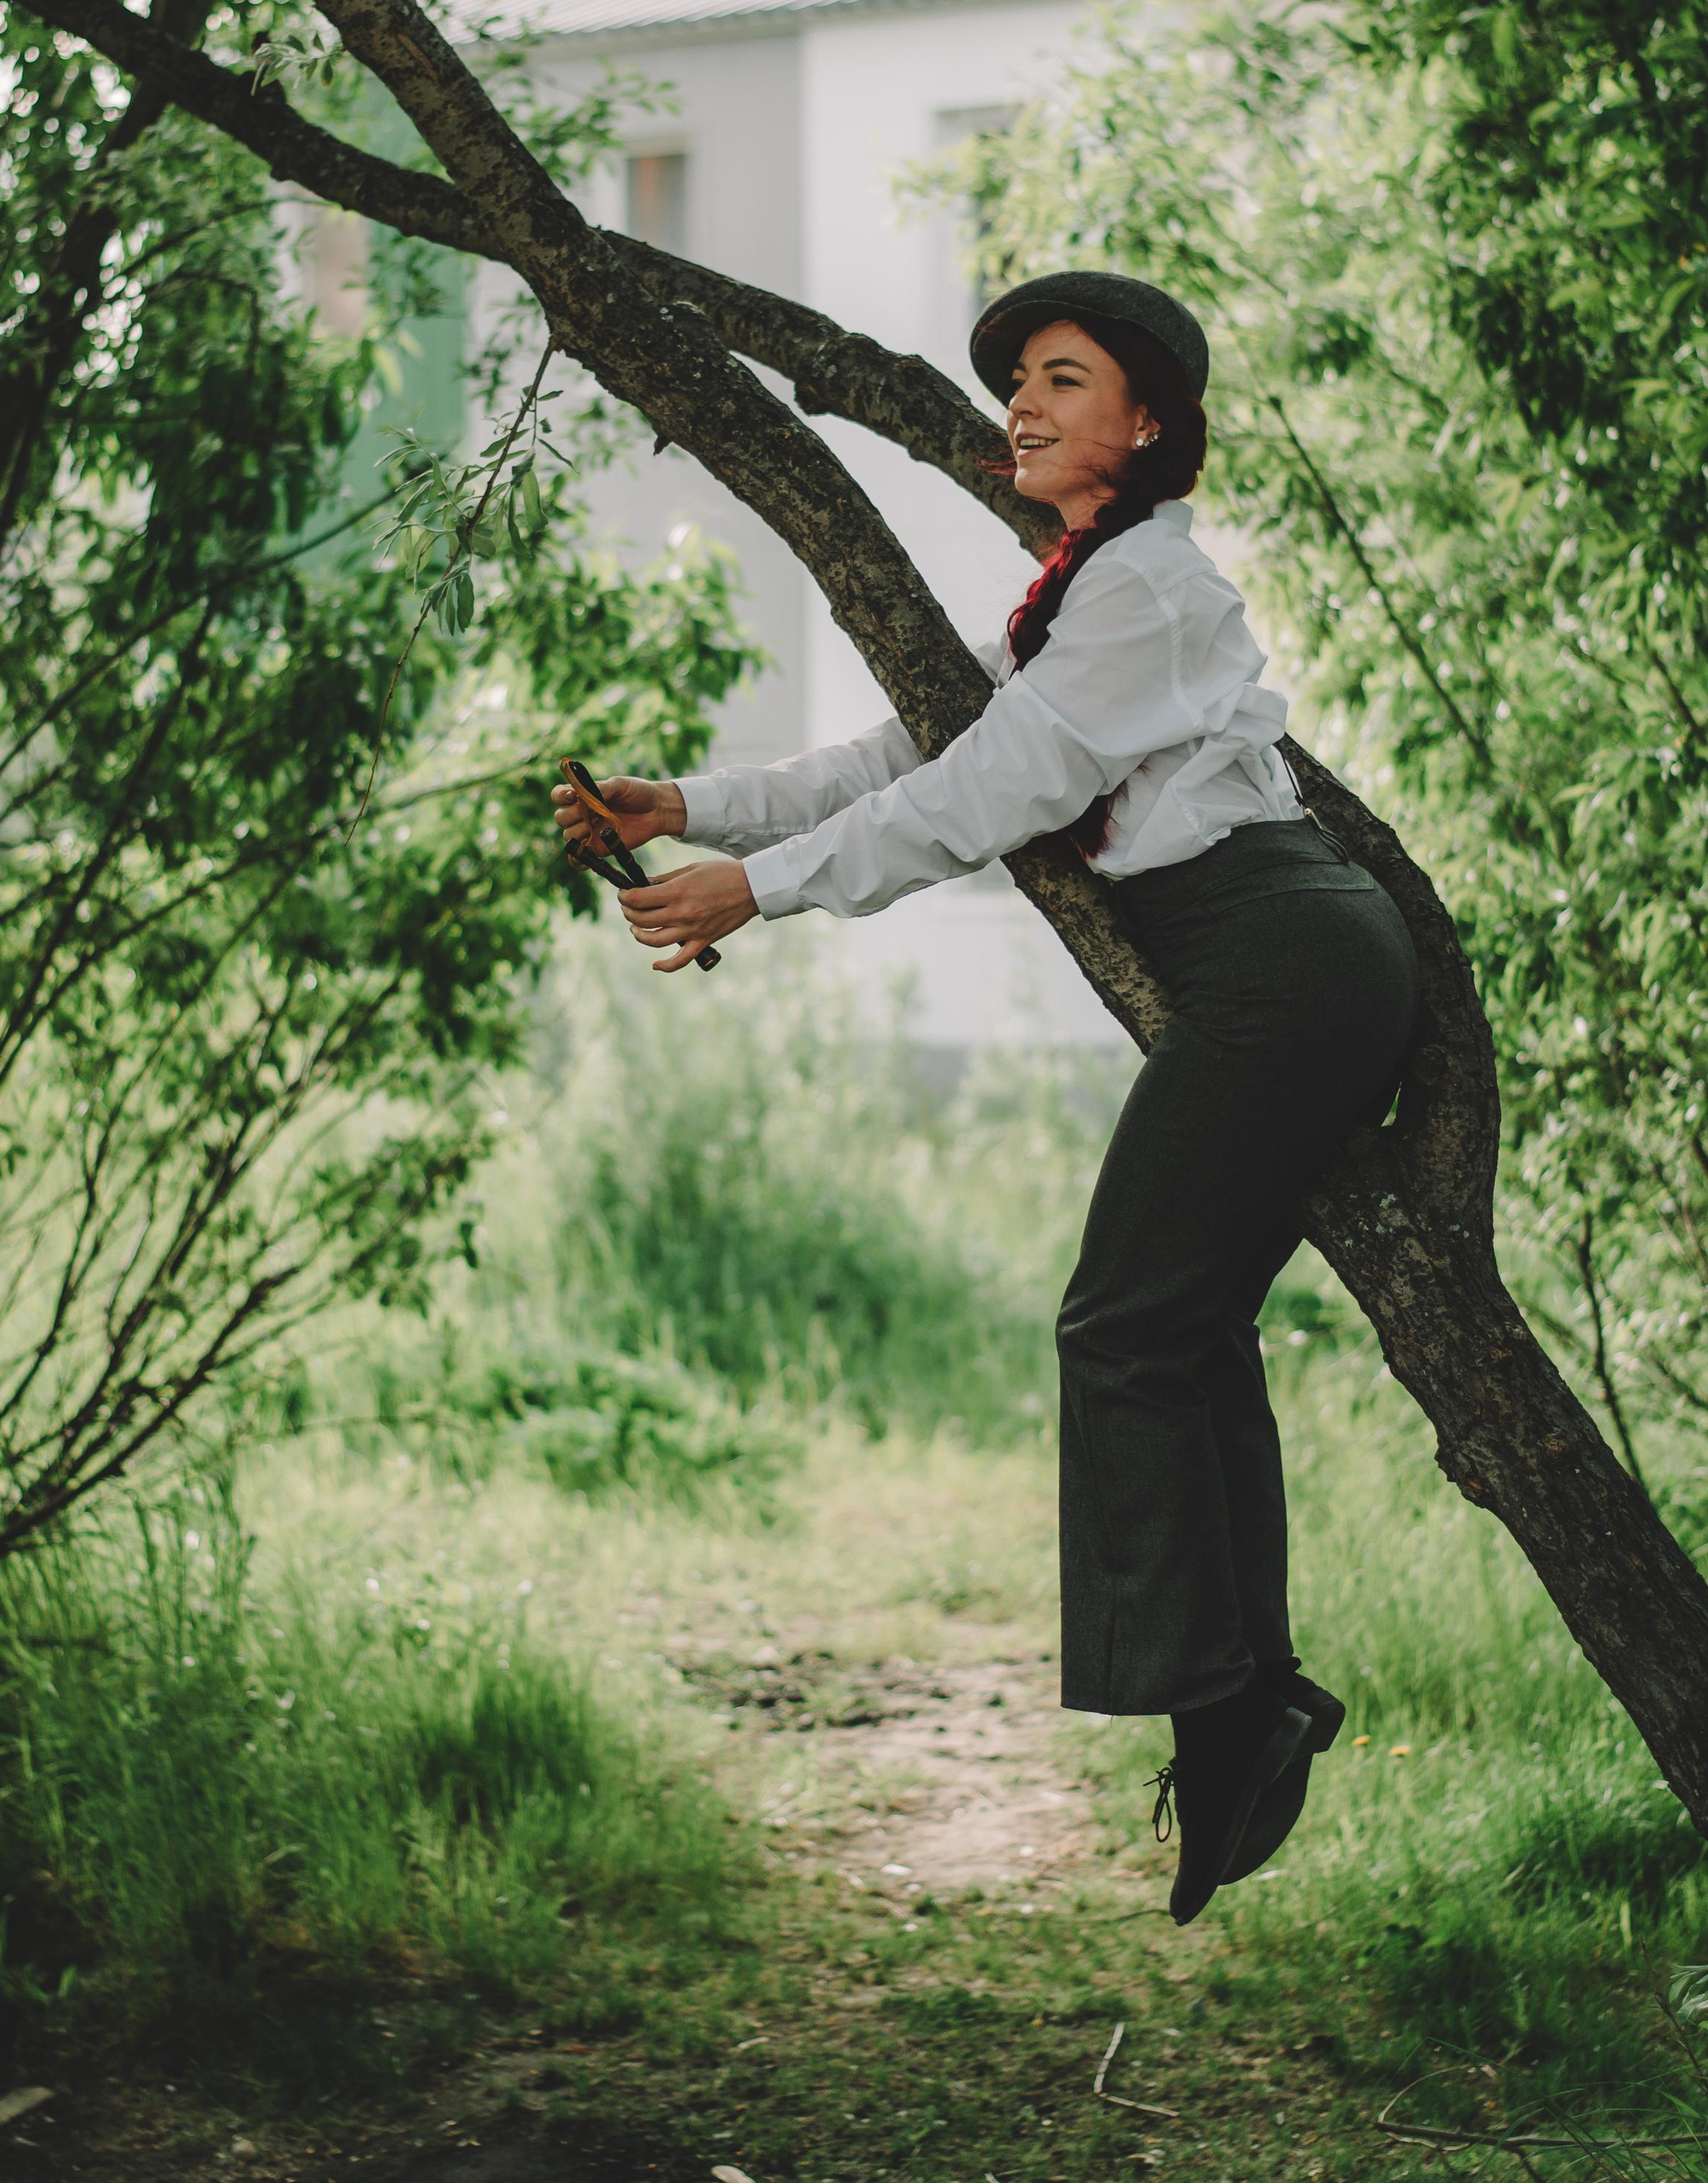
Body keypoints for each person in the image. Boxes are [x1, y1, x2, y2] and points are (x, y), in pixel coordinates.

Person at [549, 271, 1419, 1920]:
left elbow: (986, 794)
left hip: (1280, 956)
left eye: (1062, 379)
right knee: (1175, 1326)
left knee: (1121, 1324)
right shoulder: (1073, 595)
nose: (1020, 404)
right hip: (1267, 959)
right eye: (1016, 379)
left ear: (1146, 422)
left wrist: (757, 888)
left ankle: (1229, 1705)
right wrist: (692, 800)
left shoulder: (1147, 590)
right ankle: (1249, 1701)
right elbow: (904, 749)